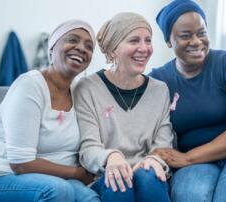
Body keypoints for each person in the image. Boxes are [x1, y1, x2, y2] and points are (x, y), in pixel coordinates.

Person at [150, 1, 226, 201]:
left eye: (202, 32)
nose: (196, 41)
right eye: (185, 35)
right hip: (196, 165)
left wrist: (186, 157)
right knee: (190, 196)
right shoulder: (159, 78)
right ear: (168, 41)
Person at [0, 19, 100, 202]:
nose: (81, 48)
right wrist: (77, 173)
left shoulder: (80, 91)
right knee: (58, 191)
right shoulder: (29, 86)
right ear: (52, 48)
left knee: (90, 199)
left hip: (59, 179)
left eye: (89, 46)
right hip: (2, 177)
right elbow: (20, 163)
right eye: (73, 40)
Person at [74, 12, 173, 202]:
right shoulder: (87, 87)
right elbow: (88, 148)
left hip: (147, 175)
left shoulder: (160, 90)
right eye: (134, 40)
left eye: (148, 40)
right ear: (112, 50)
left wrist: (154, 159)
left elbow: (163, 145)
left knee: (149, 176)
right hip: (105, 176)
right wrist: (111, 158)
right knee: (118, 181)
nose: (144, 48)